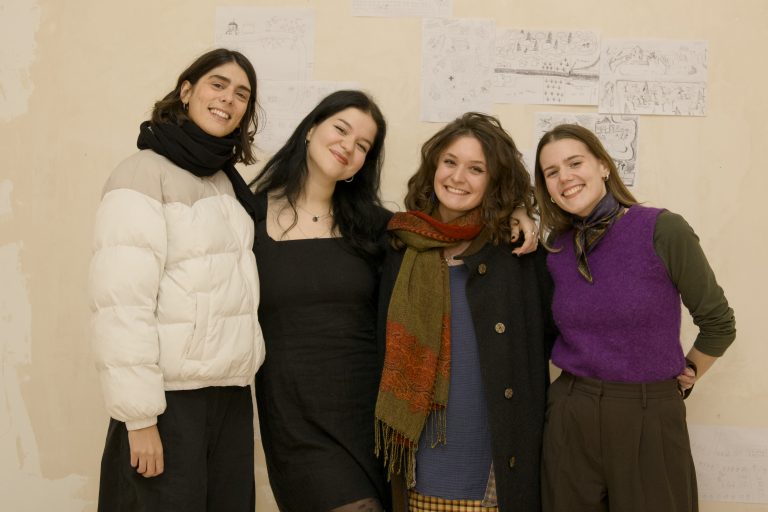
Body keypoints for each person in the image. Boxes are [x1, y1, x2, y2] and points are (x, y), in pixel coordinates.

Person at [89, 48, 266, 512]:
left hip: (228, 397)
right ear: (186, 91)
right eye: (218, 85)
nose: (228, 99)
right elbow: (121, 305)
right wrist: (140, 420)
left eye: (241, 94)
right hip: (169, 404)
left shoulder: (225, 183)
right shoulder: (141, 174)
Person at [533, 124, 736, 512]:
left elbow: (719, 323)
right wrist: (519, 218)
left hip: (649, 414)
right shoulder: (556, 248)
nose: (565, 177)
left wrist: (691, 370)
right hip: (570, 413)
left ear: (603, 166)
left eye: (575, 163)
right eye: (551, 172)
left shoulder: (662, 229)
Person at [374, 112, 556, 512]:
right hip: (417, 468)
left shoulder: (518, 254)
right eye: (450, 162)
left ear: (494, 181)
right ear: (433, 167)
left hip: (494, 476)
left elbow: (562, 335)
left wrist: (521, 212)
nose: (458, 177)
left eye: (476, 169)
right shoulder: (398, 247)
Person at [251, 90, 392, 512]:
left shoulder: (377, 227)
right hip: (292, 417)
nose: (348, 146)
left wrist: (517, 216)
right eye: (341, 129)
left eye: (363, 145)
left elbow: (447, 234)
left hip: (367, 415)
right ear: (311, 129)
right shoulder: (248, 215)